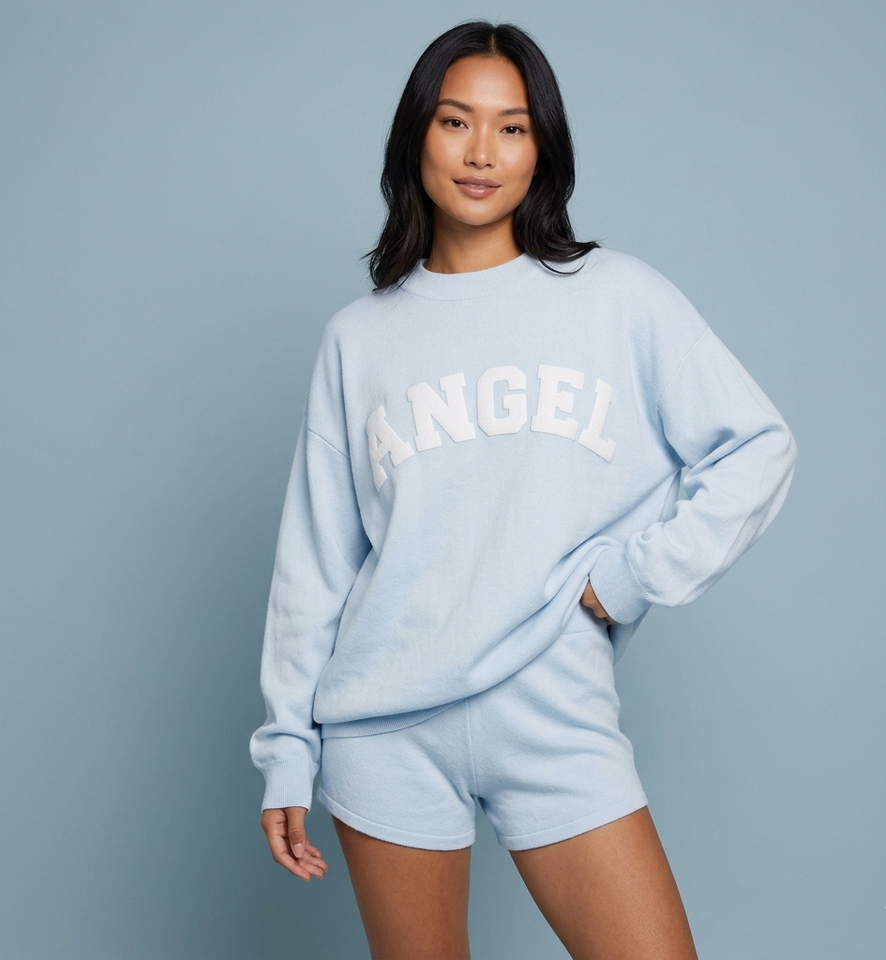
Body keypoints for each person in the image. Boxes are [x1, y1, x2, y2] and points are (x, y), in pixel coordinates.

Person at [250, 20, 796, 960]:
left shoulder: (616, 296)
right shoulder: (359, 338)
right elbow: (316, 563)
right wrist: (287, 751)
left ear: (543, 149)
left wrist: (629, 578)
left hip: (553, 706)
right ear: (417, 136)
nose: (481, 152)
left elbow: (756, 445)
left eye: (512, 128)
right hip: (384, 726)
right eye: (455, 121)